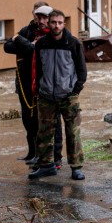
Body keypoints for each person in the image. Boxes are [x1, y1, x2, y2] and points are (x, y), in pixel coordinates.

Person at [29, 10, 87, 181]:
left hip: (68, 95)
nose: (56, 26)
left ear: (64, 24)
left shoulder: (73, 43)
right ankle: (46, 165)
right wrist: (39, 88)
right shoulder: (41, 44)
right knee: (44, 132)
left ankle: (76, 167)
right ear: (48, 23)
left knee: (72, 132)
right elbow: (38, 68)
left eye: (60, 22)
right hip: (46, 95)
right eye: (53, 22)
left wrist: (75, 89)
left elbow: (82, 70)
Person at [3, 2, 63, 166]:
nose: (41, 20)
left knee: (51, 121)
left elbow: (35, 49)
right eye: (38, 16)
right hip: (25, 82)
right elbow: (8, 46)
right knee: (28, 118)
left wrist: (22, 43)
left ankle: (54, 157)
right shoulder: (27, 31)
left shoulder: (55, 33)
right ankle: (33, 152)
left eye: (44, 17)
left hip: (47, 85)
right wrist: (23, 42)